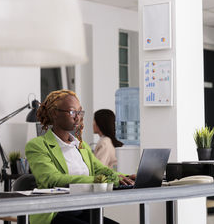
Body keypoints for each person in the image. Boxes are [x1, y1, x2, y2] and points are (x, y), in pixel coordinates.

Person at [25, 89, 135, 224]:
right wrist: (98, 180)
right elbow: (52, 179)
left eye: (80, 112)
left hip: (82, 210)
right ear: (54, 113)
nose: (78, 117)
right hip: (55, 214)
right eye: (72, 112)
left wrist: (125, 177)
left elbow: (101, 170)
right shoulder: (37, 145)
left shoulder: (81, 146)